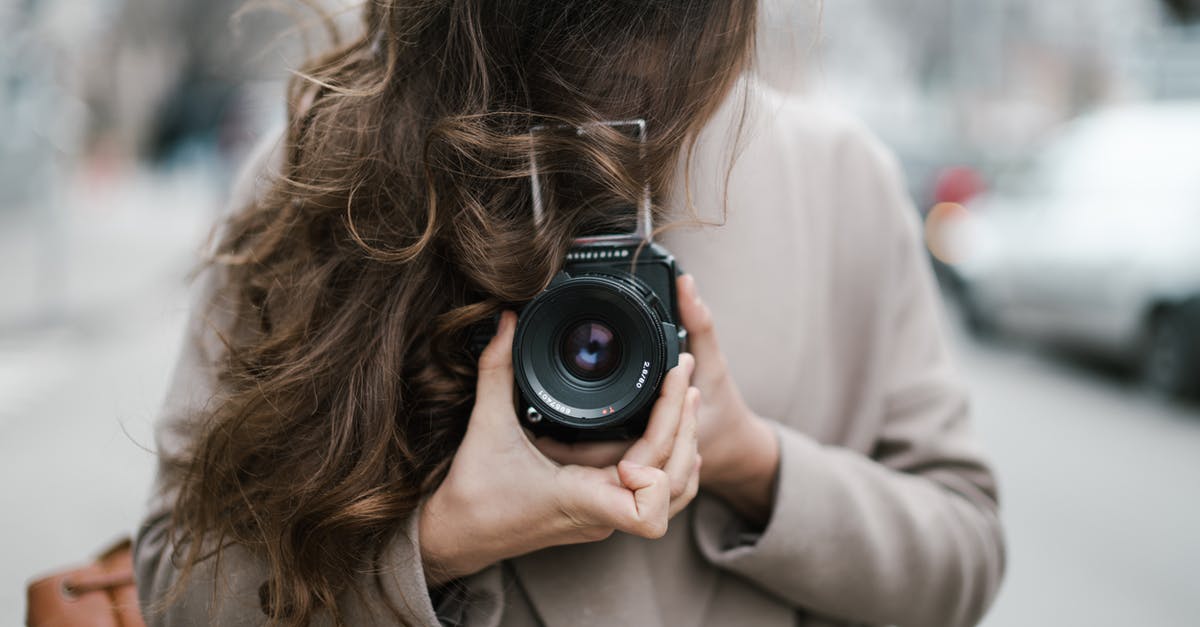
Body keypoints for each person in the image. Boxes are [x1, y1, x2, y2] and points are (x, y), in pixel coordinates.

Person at [134, 1, 1006, 625]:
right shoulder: (323, 169)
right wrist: (433, 548)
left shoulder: (838, 180)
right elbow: (177, 579)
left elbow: (962, 560)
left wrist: (749, 458)